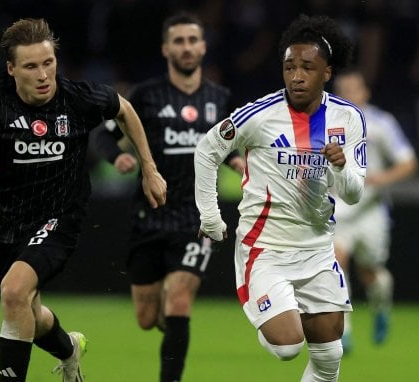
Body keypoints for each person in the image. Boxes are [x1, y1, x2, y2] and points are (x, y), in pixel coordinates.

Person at [0, 18, 167, 382]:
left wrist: (149, 168)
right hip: (4, 221)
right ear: (11, 69)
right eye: (31, 66)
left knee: (13, 292)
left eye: (48, 63)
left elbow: (124, 109)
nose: (43, 74)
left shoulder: (77, 98)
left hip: (60, 216)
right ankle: (69, 350)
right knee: (28, 309)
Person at [194, 14, 365, 381]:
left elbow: (353, 193)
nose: (297, 76)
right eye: (289, 67)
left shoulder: (349, 118)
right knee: (288, 346)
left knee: (329, 356)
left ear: (327, 72)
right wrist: (210, 216)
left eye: (307, 67)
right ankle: (267, 306)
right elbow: (207, 149)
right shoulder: (259, 114)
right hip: (266, 248)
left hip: (318, 250)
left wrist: (340, 167)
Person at [92, 13, 243, 382]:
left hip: (197, 218)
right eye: (179, 41)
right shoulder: (145, 95)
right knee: (147, 319)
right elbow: (102, 136)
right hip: (150, 215)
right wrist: (119, 156)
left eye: (193, 40)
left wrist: (239, 162)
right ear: (166, 48)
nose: (187, 47)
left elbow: (235, 146)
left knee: (179, 298)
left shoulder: (220, 99)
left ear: (204, 47)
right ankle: (168, 322)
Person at [331, 69, 419, 350]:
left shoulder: (382, 123)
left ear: (365, 92)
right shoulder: (323, 122)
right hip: (338, 209)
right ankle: (343, 331)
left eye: (354, 89)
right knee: (335, 262)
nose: (349, 95)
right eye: (343, 90)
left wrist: (381, 179)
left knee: (371, 272)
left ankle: (381, 308)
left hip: (371, 210)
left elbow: (408, 163)